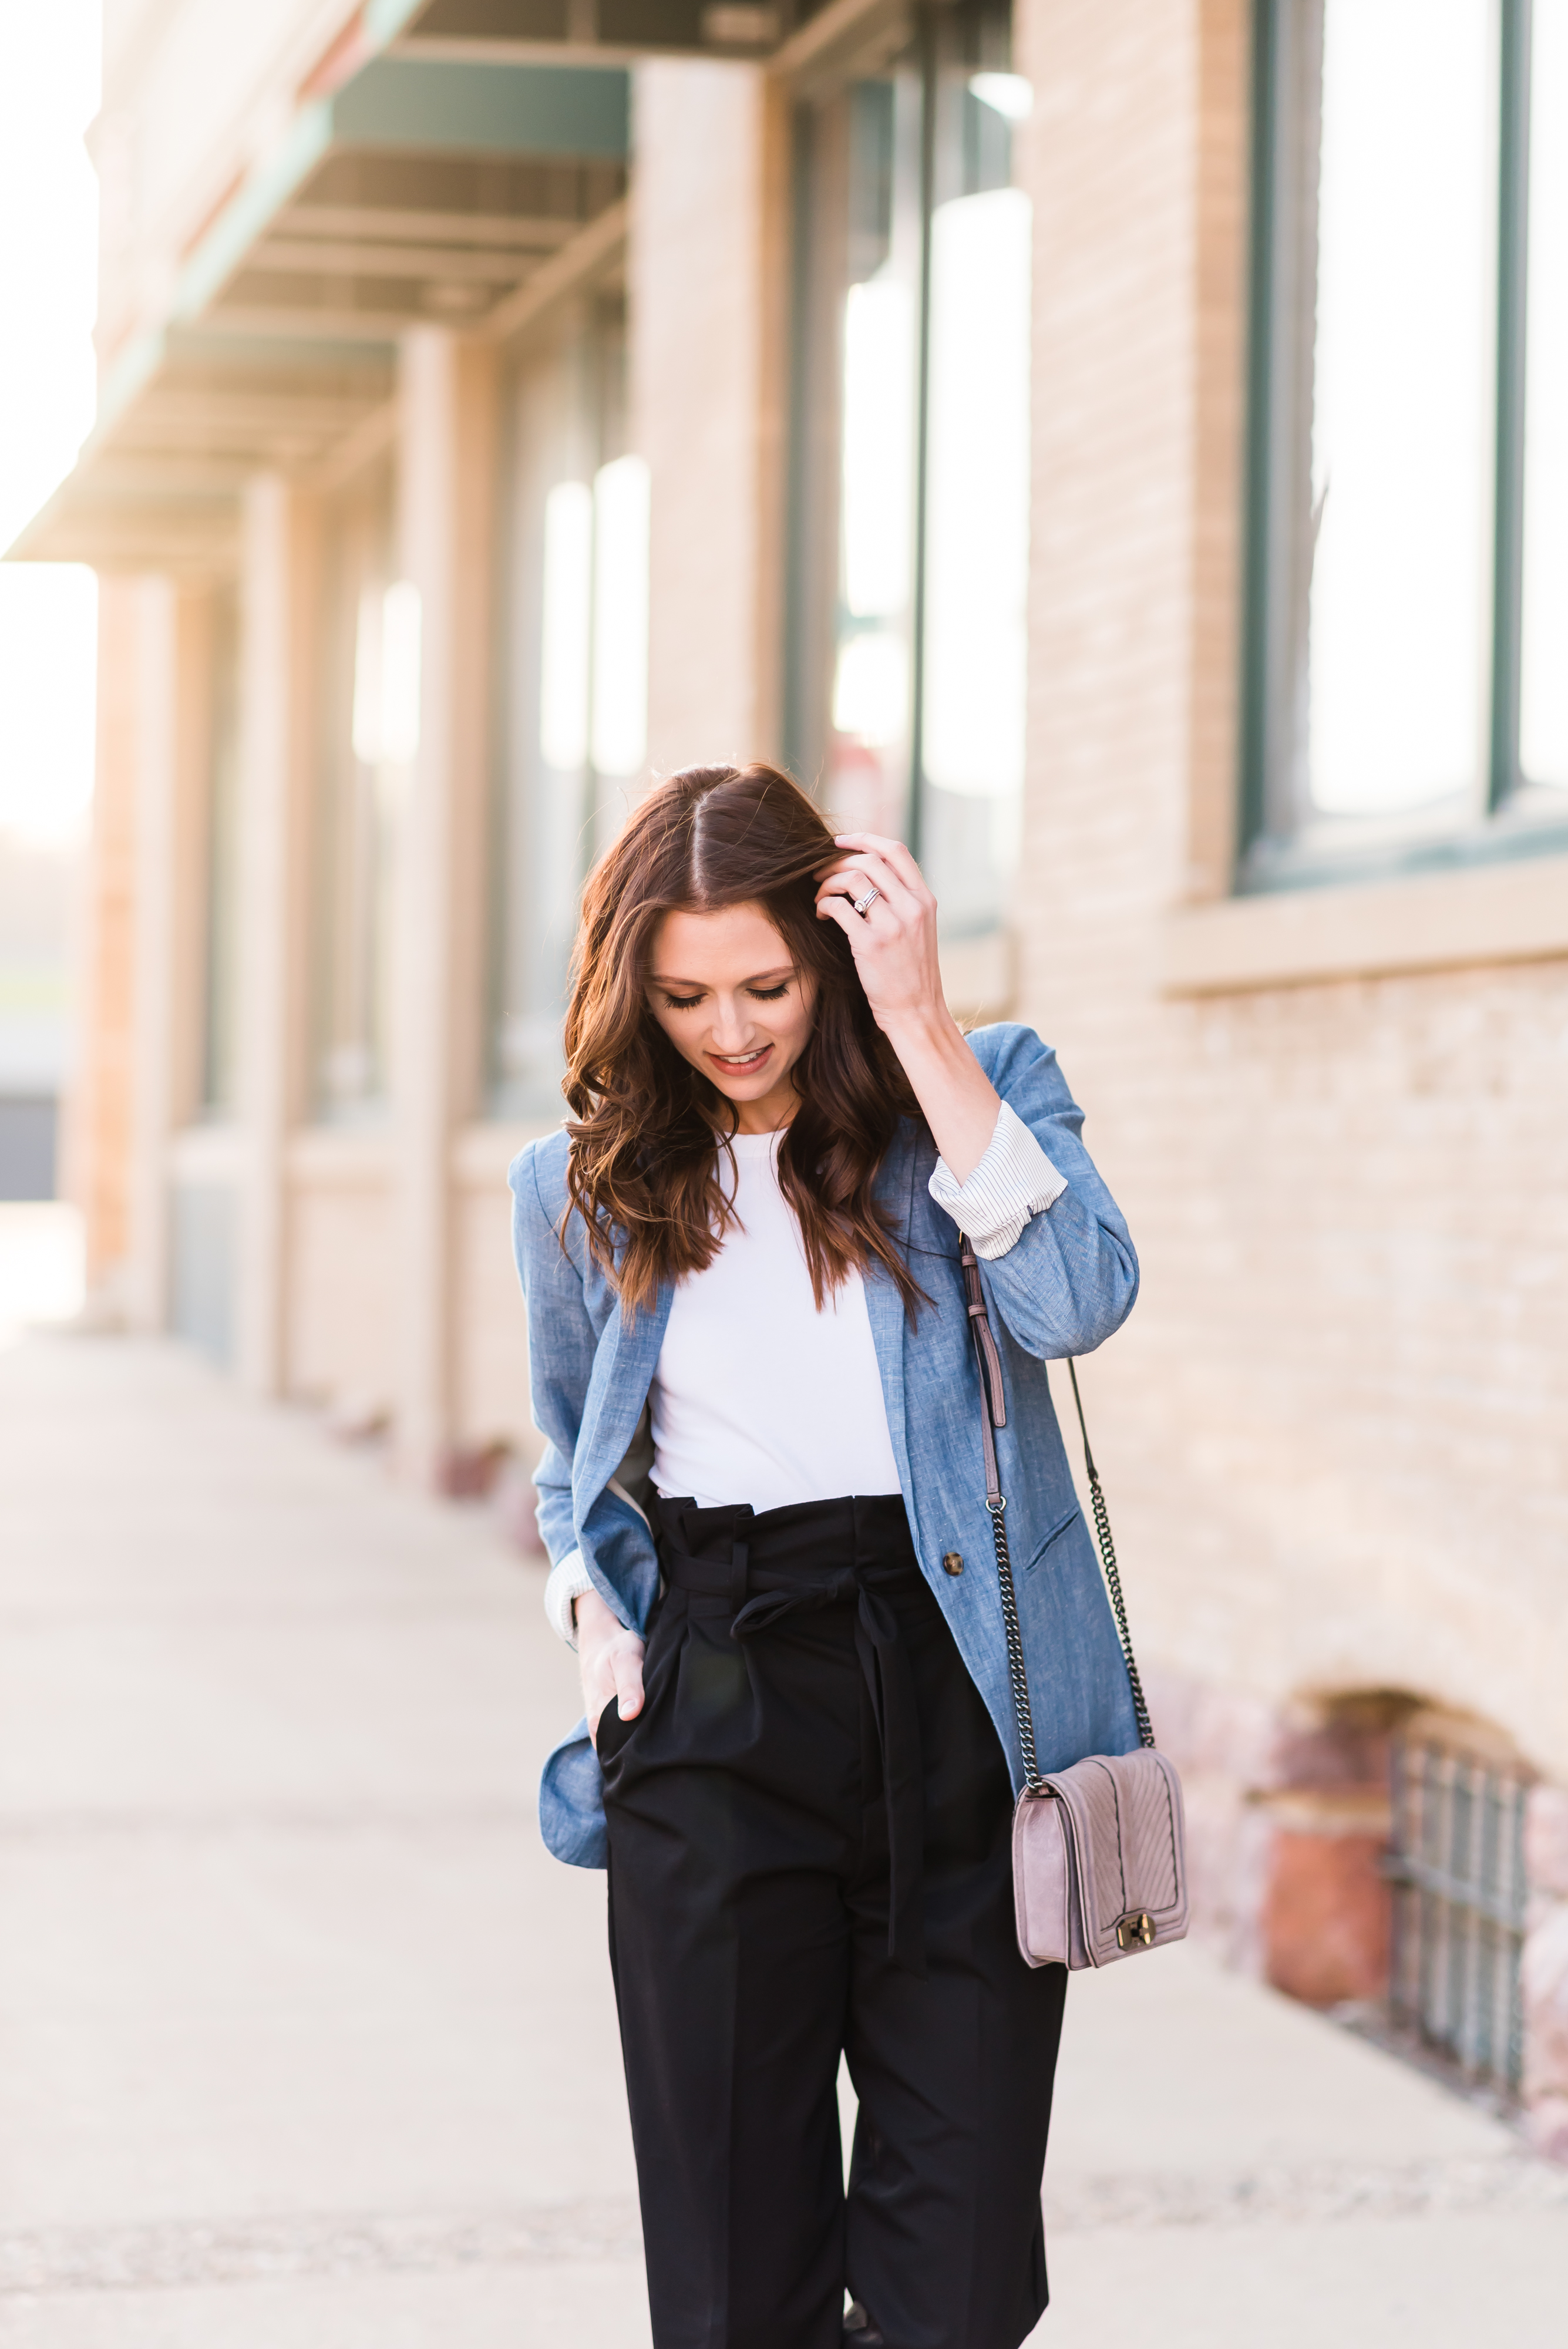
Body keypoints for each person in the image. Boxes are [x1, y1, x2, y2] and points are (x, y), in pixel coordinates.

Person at [510, 763, 1141, 2349]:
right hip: (717, 1701)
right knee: (735, 2297)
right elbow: (576, 1468)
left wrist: (921, 1024)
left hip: (958, 1698)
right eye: (686, 996)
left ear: (835, 947)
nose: (731, 1030)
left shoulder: (977, 1095)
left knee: (960, 2293)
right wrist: (599, 1631)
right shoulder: (580, 1185)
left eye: (769, 984)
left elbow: (1078, 1303)